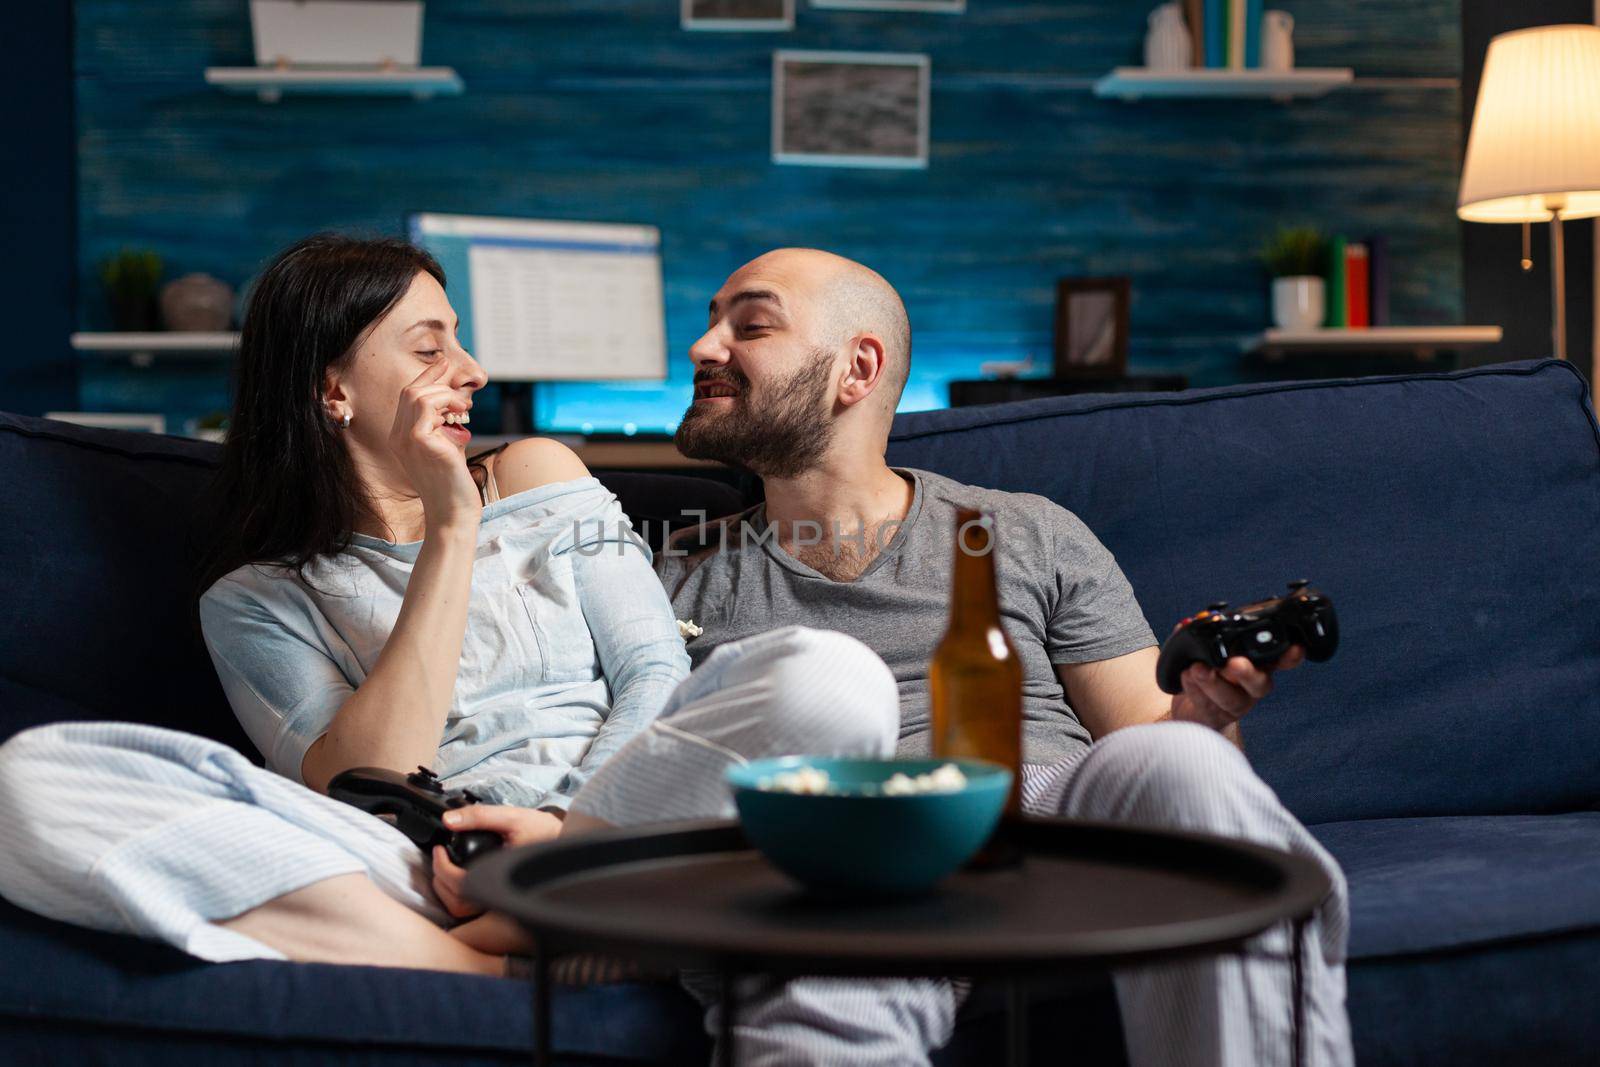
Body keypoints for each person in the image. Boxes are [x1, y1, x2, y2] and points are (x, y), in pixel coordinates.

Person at [0, 235, 906, 1000]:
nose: (471, 372)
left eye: (458, 342)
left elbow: (652, 677)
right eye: (429, 349)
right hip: (418, 861)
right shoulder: (257, 598)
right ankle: (490, 962)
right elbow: (365, 778)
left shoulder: (541, 473)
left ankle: (548, 909)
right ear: (332, 390)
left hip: (613, 828)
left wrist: (566, 829)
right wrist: (451, 530)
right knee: (30, 781)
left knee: (831, 675)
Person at [657, 247, 1355, 1067]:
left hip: (1044, 811)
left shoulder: (1025, 530)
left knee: (1182, 763)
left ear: (859, 367)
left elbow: (1157, 742)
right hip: (847, 847)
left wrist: (1204, 716)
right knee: (817, 959)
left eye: (750, 324)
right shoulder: (670, 572)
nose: (704, 346)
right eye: (710, 323)